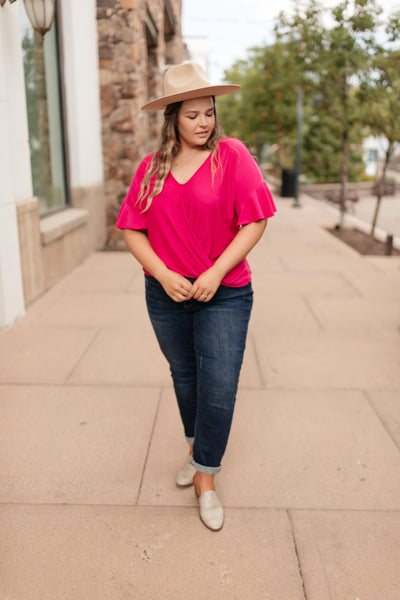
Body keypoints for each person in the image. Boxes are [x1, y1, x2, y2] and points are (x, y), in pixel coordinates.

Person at [116, 62, 276, 531]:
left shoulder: (232, 155)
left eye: (208, 113)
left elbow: (256, 220)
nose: (204, 123)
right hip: (166, 293)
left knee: (219, 385)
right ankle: (195, 448)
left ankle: (206, 475)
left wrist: (216, 271)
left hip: (224, 292)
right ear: (172, 119)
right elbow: (132, 230)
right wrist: (164, 275)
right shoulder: (151, 168)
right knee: (185, 377)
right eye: (192, 116)